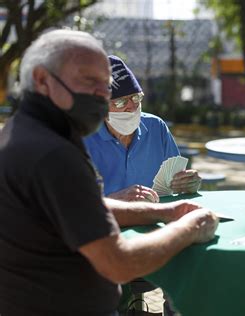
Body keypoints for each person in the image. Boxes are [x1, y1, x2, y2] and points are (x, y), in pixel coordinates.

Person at [0, 29, 218, 316]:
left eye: (106, 85)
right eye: (90, 82)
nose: (103, 96)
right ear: (42, 80)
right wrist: (188, 229)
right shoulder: (53, 153)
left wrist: (165, 212)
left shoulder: (29, 131)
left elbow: (86, 206)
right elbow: (119, 263)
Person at [83, 55, 201, 202]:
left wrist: (188, 184)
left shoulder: (156, 128)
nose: (132, 107)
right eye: (120, 102)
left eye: (136, 97)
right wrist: (114, 200)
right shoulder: (82, 138)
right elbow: (70, 203)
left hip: (157, 219)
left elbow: (176, 181)